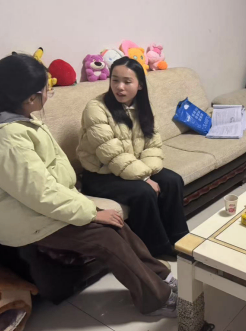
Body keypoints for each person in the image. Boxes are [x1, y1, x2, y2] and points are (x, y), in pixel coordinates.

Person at [0, 54, 178, 317]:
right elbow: (42, 194)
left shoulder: (10, 115)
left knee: (116, 222)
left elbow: (40, 187)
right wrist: (91, 212)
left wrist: (91, 209)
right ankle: (157, 300)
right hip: (23, 219)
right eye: (47, 89)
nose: (50, 93)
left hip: (39, 204)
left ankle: (160, 276)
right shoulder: (5, 140)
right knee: (106, 240)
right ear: (31, 98)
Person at [77, 57, 189, 258]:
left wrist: (148, 172)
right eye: (115, 80)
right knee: (143, 192)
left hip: (131, 167)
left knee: (173, 180)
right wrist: (144, 178)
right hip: (101, 175)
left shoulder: (143, 107)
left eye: (127, 82)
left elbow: (153, 145)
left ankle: (180, 239)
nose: (119, 87)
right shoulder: (96, 108)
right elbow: (112, 154)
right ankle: (156, 249)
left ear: (140, 85)